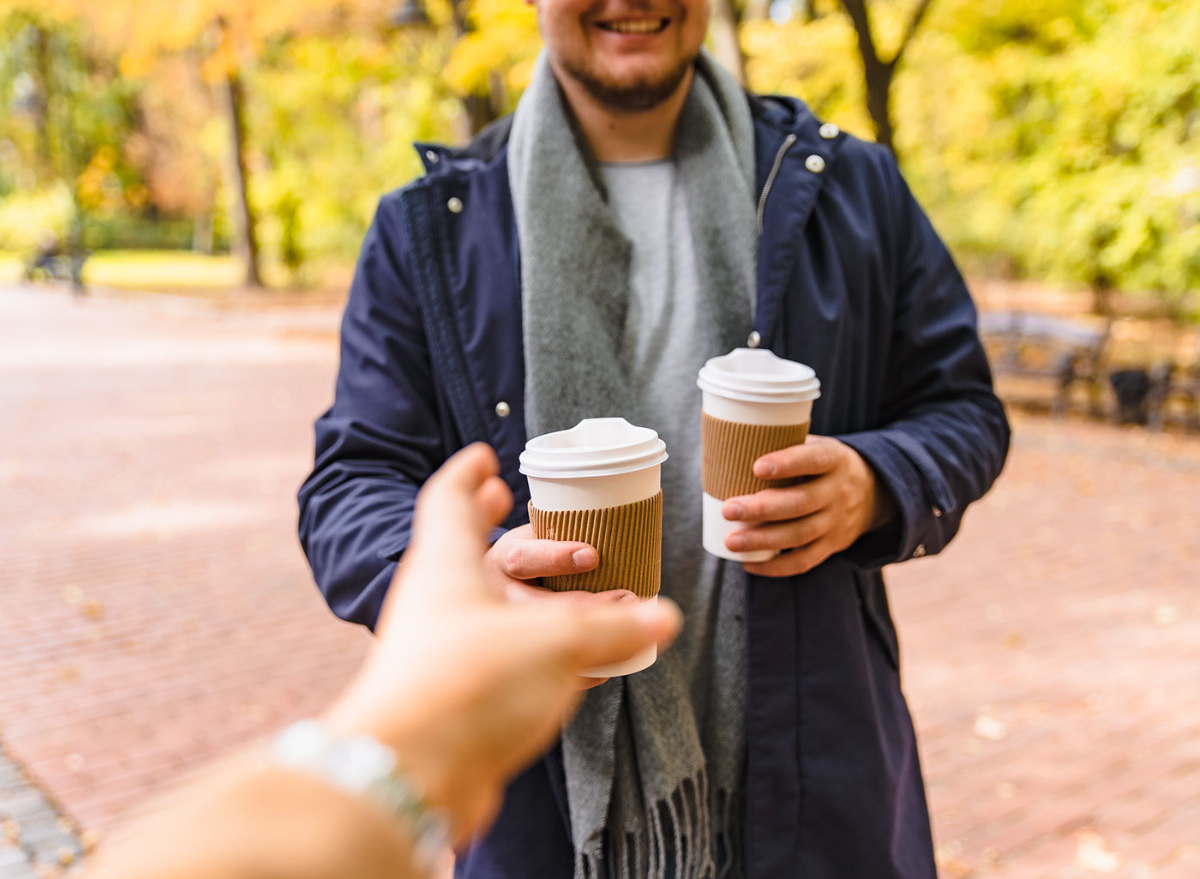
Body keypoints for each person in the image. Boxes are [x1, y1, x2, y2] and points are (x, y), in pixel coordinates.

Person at [297, 0, 1011, 874]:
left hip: (820, 787)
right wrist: (469, 583)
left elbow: (963, 407)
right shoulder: (428, 228)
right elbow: (352, 481)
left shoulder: (850, 187)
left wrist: (878, 479)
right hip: (539, 801)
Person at [85, 444, 682, 879]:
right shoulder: (417, 262)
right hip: (525, 831)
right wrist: (427, 721)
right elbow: (350, 473)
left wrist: (415, 738)